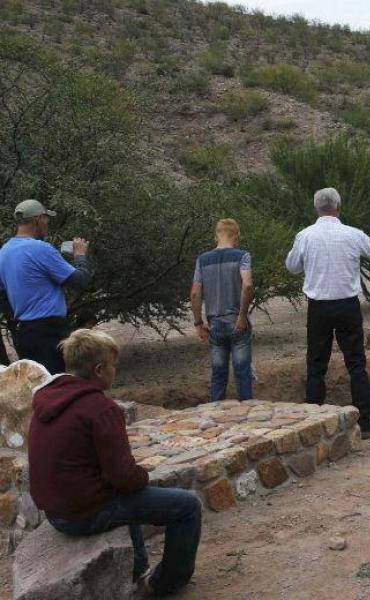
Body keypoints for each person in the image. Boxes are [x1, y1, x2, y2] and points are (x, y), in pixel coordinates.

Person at [28, 329, 202, 596]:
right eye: (113, 365)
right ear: (99, 369)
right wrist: (144, 476)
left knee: (126, 496)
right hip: (82, 513)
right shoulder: (100, 408)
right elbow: (124, 477)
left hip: (54, 511)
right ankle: (167, 583)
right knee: (187, 506)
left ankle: (137, 569)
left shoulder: (47, 398)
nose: (115, 370)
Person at [285, 188, 370, 439]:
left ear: (316, 208)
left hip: (318, 307)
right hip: (347, 306)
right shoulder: (352, 234)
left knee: (316, 365)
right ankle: (366, 423)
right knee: (356, 364)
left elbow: (292, 267)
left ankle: (313, 426)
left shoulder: (305, 236)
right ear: (338, 207)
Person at [0, 199, 90, 374]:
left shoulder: (3, 252)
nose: (47, 224)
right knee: (60, 386)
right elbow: (80, 281)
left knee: (41, 389)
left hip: (23, 334)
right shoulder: (41, 249)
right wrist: (80, 256)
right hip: (49, 332)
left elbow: (1, 297)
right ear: (38, 219)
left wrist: (23, 313)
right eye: (46, 219)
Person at [190, 219, 254, 402]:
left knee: (218, 375)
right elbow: (247, 285)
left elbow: (195, 293)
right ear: (236, 235)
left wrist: (198, 323)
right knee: (242, 373)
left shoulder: (202, 260)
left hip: (215, 324)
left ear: (216, 235)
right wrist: (242, 316)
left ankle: (214, 414)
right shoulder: (242, 256)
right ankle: (249, 417)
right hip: (237, 322)